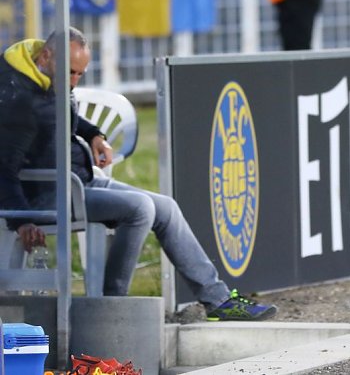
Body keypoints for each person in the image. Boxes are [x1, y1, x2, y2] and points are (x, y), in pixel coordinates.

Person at [0, 28, 276, 321]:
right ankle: (111, 306)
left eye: (80, 74)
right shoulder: (17, 99)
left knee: (166, 208)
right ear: (46, 56)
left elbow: (58, 116)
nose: (74, 81)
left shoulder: (46, 76)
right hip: (46, 196)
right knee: (140, 209)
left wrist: (94, 134)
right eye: (70, 73)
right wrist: (23, 221)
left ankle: (218, 300)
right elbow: (4, 167)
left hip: (80, 181)